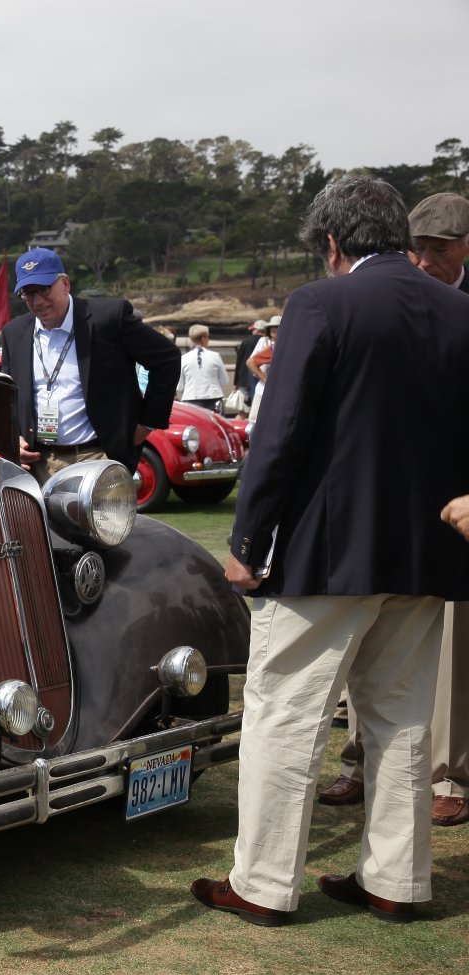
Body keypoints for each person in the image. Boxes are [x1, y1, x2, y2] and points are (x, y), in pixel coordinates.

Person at [192, 175, 469, 928]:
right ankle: (397, 880)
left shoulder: (322, 303)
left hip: (328, 548)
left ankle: (263, 882)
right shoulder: (459, 310)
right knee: (402, 719)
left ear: (334, 242)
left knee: (286, 713)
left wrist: (247, 540)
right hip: (426, 550)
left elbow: (280, 433)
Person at [319, 190, 469, 827]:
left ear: (466, 248)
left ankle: (449, 775)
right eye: (418, 247)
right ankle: (358, 760)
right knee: (369, 640)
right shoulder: (387, 297)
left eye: (440, 249)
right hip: (384, 497)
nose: (426, 260)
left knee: (449, 650)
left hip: (455, 502)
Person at [0, 248, 179, 482]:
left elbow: (167, 359)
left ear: (65, 283)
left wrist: (147, 424)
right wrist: (12, 438)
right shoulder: (14, 333)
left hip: (99, 457)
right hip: (37, 463)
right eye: (28, 293)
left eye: (44, 289)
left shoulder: (109, 318)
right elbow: (7, 396)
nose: (38, 301)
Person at [407, 191, 469, 294]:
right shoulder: (396, 296)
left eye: (440, 250)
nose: (425, 263)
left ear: (467, 246)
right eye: (417, 248)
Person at [177, 324, 230, 412]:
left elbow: (180, 385)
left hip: (190, 398)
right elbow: (224, 380)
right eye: (208, 337)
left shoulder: (184, 358)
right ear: (203, 339)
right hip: (213, 398)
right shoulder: (215, 356)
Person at [234, 319, 266, 404]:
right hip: (262, 377)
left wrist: (236, 382)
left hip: (244, 378)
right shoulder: (267, 342)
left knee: (246, 407)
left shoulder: (246, 341)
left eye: (253, 329)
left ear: (257, 330)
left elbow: (239, 361)